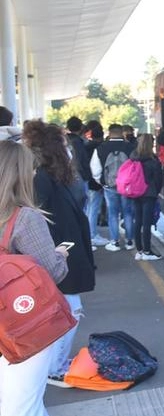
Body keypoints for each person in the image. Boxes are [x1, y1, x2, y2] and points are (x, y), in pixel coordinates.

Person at [21, 121, 95, 389]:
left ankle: (57, 363)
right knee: (70, 311)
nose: (68, 147)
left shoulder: (44, 176)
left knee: (67, 309)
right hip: (57, 255)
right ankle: (55, 367)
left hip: (61, 253)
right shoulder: (43, 178)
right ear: (55, 148)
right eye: (63, 143)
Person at [0, 140, 70, 415]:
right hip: (22, 326)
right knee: (23, 406)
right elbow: (51, 273)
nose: (33, 175)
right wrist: (60, 256)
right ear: (18, 174)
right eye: (30, 169)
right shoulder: (25, 219)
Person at [90, 123, 136, 251]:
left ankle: (115, 242)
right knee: (128, 213)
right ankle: (129, 241)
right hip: (127, 187)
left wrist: (101, 182)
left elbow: (95, 168)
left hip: (109, 186)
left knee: (113, 214)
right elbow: (136, 167)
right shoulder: (131, 147)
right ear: (122, 133)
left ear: (109, 134)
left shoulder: (101, 148)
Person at [129, 134, 164, 261]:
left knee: (137, 221)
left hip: (135, 192)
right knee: (146, 223)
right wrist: (157, 191)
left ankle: (139, 250)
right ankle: (147, 251)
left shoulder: (133, 156)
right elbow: (159, 179)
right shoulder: (153, 160)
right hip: (149, 193)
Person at [84, 121, 108, 246]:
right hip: (97, 182)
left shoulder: (85, 146)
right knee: (93, 208)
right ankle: (92, 234)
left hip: (87, 180)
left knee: (89, 208)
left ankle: (90, 233)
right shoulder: (101, 148)